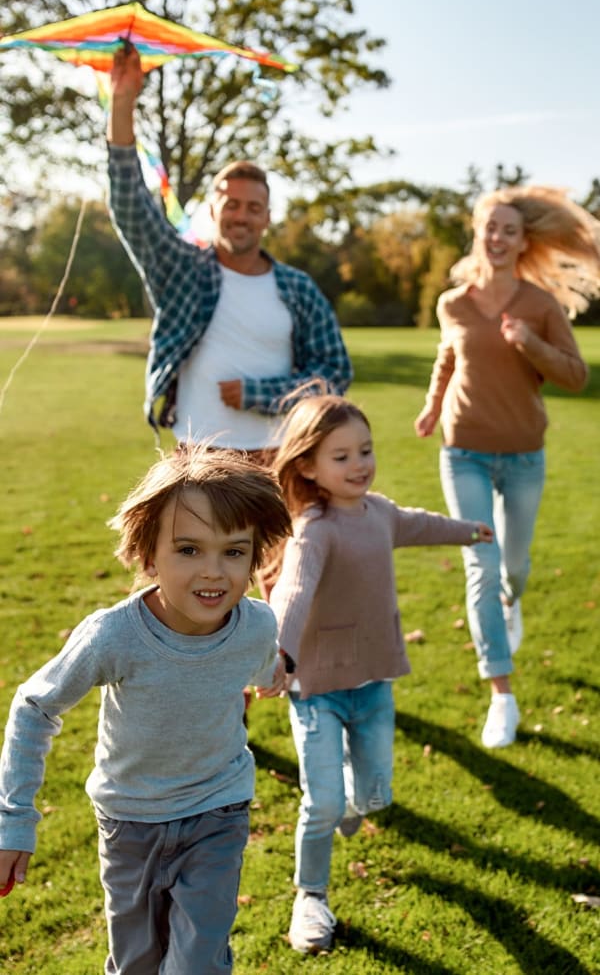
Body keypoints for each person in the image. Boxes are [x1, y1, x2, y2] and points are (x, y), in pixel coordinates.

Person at [0, 443, 292, 974]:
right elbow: (35, 706)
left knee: (196, 963)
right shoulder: (114, 637)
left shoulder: (257, 625)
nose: (214, 572)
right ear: (148, 554)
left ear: (255, 557)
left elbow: (264, 664)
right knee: (136, 963)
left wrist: (278, 677)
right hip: (129, 822)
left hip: (217, 812)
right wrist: (14, 820)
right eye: (189, 550)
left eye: (234, 551)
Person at [265, 395, 492, 954]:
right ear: (307, 467)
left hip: (373, 683)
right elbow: (292, 593)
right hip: (316, 688)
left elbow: (418, 524)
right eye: (341, 456)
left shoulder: (380, 513)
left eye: (365, 450)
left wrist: (468, 530)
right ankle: (310, 898)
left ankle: (350, 794)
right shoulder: (313, 531)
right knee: (319, 805)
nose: (359, 464)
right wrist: (281, 655)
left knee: (373, 797)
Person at [414, 185, 600, 750]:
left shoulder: (539, 305)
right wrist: (430, 403)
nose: (497, 238)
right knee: (481, 566)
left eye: (509, 231)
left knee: (511, 570)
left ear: (523, 243)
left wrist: (529, 346)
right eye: (489, 227)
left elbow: (575, 375)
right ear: (477, 231)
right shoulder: (454, 303)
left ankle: (512, 602)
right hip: (463, 450)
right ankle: (502, 696)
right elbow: (449, 357)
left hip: (523, 457)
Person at [106, 46, 353, 458]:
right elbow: (130, 204)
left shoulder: (296, 287)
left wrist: (262, 393)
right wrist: (122, 102)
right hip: (198, 457)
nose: (241, 216)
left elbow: (336, 371)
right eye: (231, 205)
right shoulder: (182, 270)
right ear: (212, 211)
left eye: (253, 207)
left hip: (282, 456)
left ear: (267, 218)